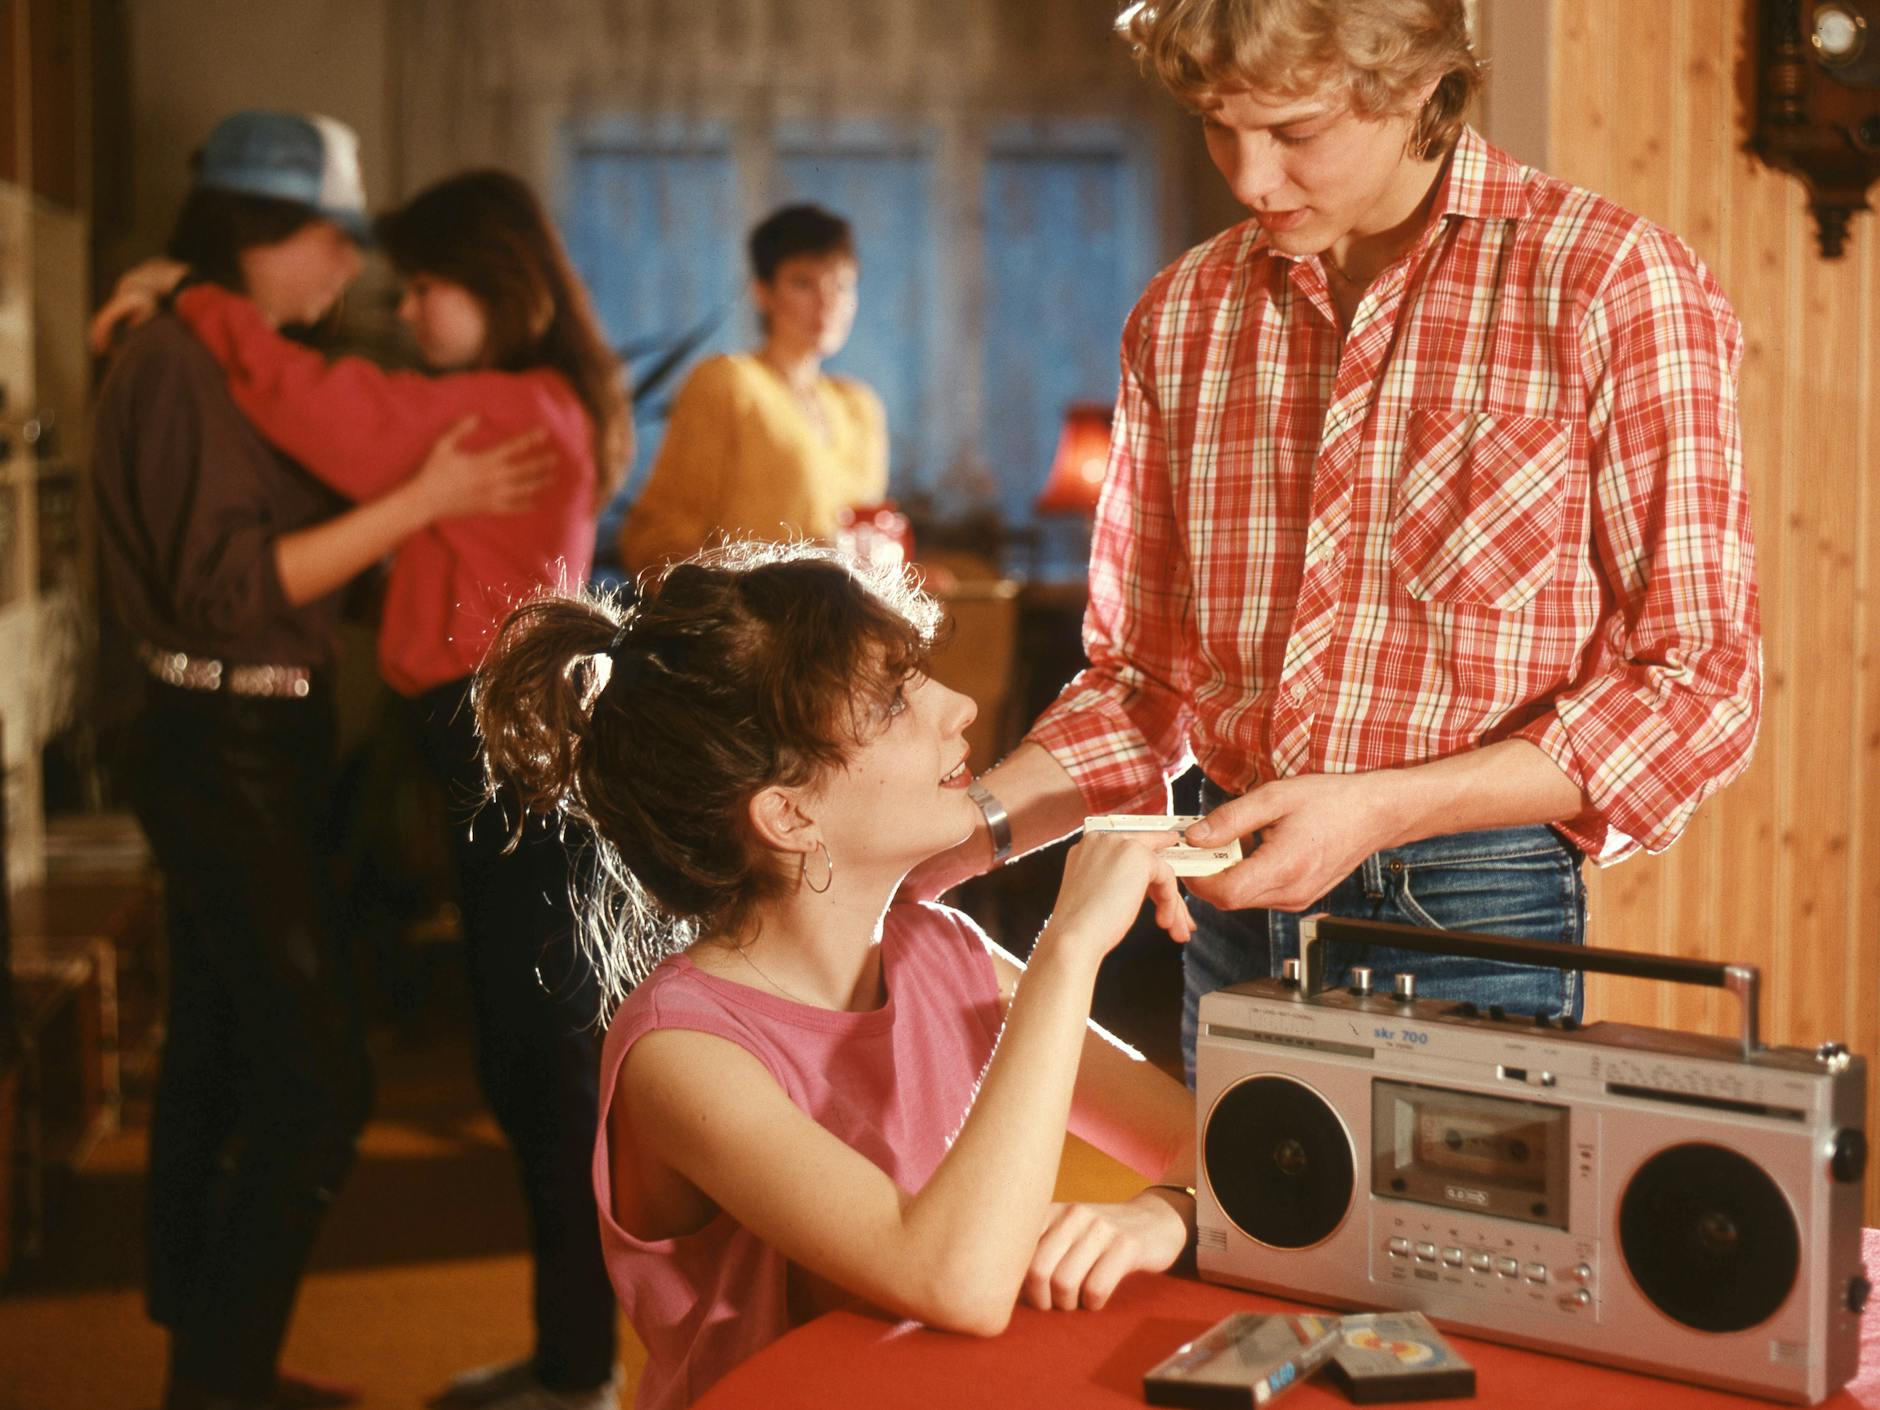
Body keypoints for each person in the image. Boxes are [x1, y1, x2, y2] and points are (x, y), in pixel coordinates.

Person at [908, 0, 1762, 1081]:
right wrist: (954, 843)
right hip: (1231, 907)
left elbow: (1698, 682)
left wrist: (1377, 808)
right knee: (1237, 1248)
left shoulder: (1606, 284)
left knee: (1452, 1257)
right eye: (1219, 127)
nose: (1248, 178)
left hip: (1466, 907)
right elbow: (1138, 686)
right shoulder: (1183, 316)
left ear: (1413, 85)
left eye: (1294, 132)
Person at [97, 170, 633, 1410]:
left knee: (537, 1070)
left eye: (427, 288)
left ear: (495, 286)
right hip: (491, 739)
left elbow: (312, 400)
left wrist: (194, 299)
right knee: (525, 1062)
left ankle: (579, 1374)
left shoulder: (501, 410)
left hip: (499, 745)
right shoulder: (532, 399)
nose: (411, 311)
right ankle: (572, 1363)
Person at [471, 544, 1199, 1410]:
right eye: (894, 702)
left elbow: (1214, 1144)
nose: (959, 706)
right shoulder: (682, 1054)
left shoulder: (944, 955)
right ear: (789, 812)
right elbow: (951, 1280)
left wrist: (1164, 1212)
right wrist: (1069, 947)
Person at [619, 203, 887, 574]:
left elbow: (867, 544)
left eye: (841, 284)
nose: (827, 303)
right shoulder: (729, 383)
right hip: (751, 624)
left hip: (837, 627)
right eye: (802, 283)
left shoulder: (859, 408)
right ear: (763, 293)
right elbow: (659, 536)